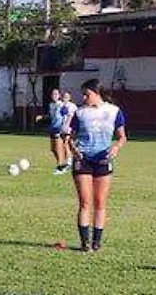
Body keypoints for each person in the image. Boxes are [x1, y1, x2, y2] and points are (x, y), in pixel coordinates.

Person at [69, 79, 128, 252]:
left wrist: (116, 147)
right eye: (83, 94)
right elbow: (70, 138)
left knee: (100, 202)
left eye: (87, 94)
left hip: (103, 160)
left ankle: (97, 242)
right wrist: (73, 149)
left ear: (97, 93)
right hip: (83, 159)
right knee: (85, 202)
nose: (84, 98)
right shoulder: (80, 113)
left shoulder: (114, 111)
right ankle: (85, 243)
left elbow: (122, 137)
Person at [47, 88, 77, 174]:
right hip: (52, 128)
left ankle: (60, 166)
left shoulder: (61, 105)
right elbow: (52, 116)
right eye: (53, 94)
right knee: (53, 149)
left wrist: (65, 126)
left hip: (59, 129)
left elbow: (68, 115)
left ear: (59, 96)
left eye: (56, 94)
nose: (54, 96)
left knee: (58, 147)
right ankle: (63, 164)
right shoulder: (51, 105)